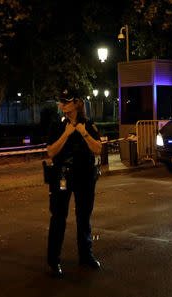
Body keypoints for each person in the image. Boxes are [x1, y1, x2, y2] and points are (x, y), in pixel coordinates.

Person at [46, 89, 102, 276]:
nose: (62, 104)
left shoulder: (88, 124)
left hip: (85, 176)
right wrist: (67, 134)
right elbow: (51, 152)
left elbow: (98, 149)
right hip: (62, 176)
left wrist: (83, 133)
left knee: (84, 217)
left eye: (66, 101)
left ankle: (86, 256)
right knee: (58, 218)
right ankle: (53, 262)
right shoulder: (57, 125)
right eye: (61, 101)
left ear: (77, 103)